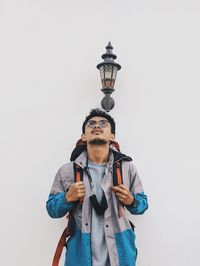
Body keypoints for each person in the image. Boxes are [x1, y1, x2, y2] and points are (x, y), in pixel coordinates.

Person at [46, 108, 148, 266]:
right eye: (91, 124)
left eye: (103, 123)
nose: (97, 126)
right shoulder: (67, 171)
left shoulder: (127, 168)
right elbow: (51, 209)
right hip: (79, 257)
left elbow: (142, 206)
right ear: (83, 136)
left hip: (120, 256)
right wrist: (67, 198)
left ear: (112, 136)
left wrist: (131, 200)